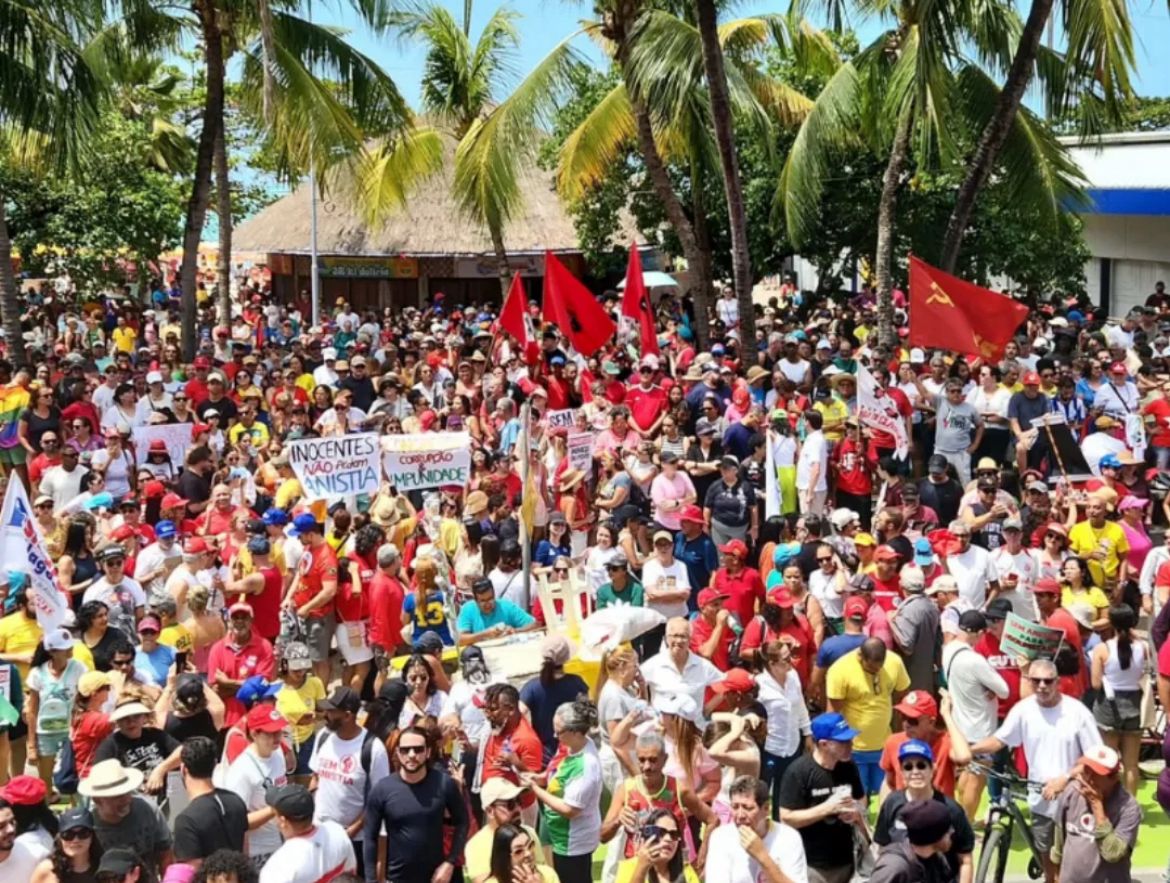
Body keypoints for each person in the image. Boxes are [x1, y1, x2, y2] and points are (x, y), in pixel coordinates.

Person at [968, 658, 1103, 883]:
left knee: (1071, 869)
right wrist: (969, 750)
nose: (1042, 686)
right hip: (1040, 799)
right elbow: (999, 740)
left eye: (1047, 681)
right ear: (1029, 681)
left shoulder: (1078, 713)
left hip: (1073, 801)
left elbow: (1094, 757)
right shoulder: (1024, 710)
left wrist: (1065, 779)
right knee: (1049, 869)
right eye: (1036, 681)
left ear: (1057, 682)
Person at [363, 724, 468, 883]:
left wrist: (450, 862)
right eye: (405, 750)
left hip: (436, 879)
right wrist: (371, 880)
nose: (412, 755)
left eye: (418, 749)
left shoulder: (443, 783)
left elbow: (462, 822)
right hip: (397, 879)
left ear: (428, 752)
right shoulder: (382, 789)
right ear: (398, 752)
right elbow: (370, 837)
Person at [309, 686, 389, 878]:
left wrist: (351, 831)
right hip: (320, 834)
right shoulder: (323, 737)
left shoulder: (373, 749)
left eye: (331, 711)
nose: (325, 715)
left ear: (347, 715)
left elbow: (378, 800)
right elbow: (315, 777)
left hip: (355, 840)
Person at [522, 700, 603, 883]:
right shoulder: (573, 746)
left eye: (558, 732)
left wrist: (535, 789)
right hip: (562, 837)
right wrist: (541, 778)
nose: (554, 735)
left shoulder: (586, 766)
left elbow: (570, 810)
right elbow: (557, 772)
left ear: (575, 732)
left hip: (573, 842)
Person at [778, 712, 865, 883]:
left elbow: (861, 799)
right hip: (812, 864)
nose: (850, 745)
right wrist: (828, 808)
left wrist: (855, 811)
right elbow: (786, 818)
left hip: (847, 860)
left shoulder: (848, 767)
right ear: (824, 744)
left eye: (850, 739)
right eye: (843, 742)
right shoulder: (799, 772)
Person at [872, 740, 974, 883]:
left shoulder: (951, 809)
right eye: (908, 767)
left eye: (921, 765)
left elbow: (965, 860)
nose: (915, 772)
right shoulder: (892, 803)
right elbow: (882, 846)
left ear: (933, 769)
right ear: (901, 772)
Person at [941, 610, 1009, 821]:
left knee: (965, 778)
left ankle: (960, 818)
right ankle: (966, 825)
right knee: (976, 782)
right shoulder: (974, 660)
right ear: (979, 633)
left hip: (960, 725)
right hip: (980, 729)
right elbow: (1004, 690)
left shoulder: (948, 649)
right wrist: (989, 687)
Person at [824, 638, 910, 796]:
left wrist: (900, 737)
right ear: (860, 657)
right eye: (871, 668)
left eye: (879, 668)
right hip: (853, 751)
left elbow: (902, 698)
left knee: (886, 797)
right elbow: (832, 714)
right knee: (857, 798)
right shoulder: (840, 670)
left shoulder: (895, 662)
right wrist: (834, 752)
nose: (876, 672)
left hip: (884, 747)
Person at [1051, 745, 1142, 883]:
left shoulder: (1128, 808)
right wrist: (1056, 874)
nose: (1087, 777)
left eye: (1095, 773)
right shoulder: (1071, 792)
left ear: (1113, 778)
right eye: (1086, 769)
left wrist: (1097, 806)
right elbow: (1059, 836)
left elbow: (1112, 853)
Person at [81, 759, 173, 883]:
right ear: (97, 800)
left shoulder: (148, 810)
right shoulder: (87, 827)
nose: (126, 800)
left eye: (127, 792)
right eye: (117, 796)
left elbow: (165, 855)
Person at [222, 704, 289, 866]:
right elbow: (236, 822)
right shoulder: (241, 770)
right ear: (254, 733)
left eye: (279, 731)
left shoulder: (277, 753)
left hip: (283, 844)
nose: (277, 737)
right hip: (258, 853)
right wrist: (274, 809)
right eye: (270, 733)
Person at [1089, 605, 1146, 795]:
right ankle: (1131, 803)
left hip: (1108, 705)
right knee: (1131, 764)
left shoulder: (1102, 649)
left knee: (1108, 761)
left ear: (1111, 624)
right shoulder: (1142, 647)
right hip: (1134, 704)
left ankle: (1108, 802)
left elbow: (1096, 683)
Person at [172, 736, 248, 868]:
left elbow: (190, 870)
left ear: (183, 769)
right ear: (214, 764)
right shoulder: (236, 801)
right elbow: (245, 853)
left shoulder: (186, 820)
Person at [259, 785, 356, 883]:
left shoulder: (277, 869)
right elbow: (350, 876)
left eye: (275, 815)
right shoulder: (337, 832)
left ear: (283, 821)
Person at [519, 636, 589, 766]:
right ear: (566, 658)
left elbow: (520, 712)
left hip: (546, 753)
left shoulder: (532, 687)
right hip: (574, 747)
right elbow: (587, 711)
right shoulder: (577, 682)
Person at [464, 778, 547, 883]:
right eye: (510, 804)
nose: (518, 809)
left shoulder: (529, 833)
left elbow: (544, 872)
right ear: (490, 811)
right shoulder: (476, 846)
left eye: (519, 801)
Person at [641, 618, 723, 715]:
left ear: (690, 639)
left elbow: (726, 684)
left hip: (695, 723)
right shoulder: (653, 665)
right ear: (666, 638)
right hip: (662, 723)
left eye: (683, 636)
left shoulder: (702, 665)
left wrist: (706, 710)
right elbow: (634, 688)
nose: (679, 640)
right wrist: (648, 710)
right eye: (675, 636)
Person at [868, 799, 956, 883]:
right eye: (947, 831)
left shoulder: (936, 859)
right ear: (933, 837)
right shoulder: (893, 868)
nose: (952, 832)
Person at [619, 807, 699, 883]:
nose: (668, 839)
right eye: (661, 832)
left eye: (673, 834)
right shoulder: (629, 867)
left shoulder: (686, 872)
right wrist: (642, 868)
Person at [29, 806, 103, 883]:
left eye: (83, 833)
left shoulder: (104, 869)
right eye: (68, 834)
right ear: (60, 838)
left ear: (92, 836)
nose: (76, 840)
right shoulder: (46, 869)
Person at [457, 578, 538, 646]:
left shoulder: (506, 606)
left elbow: (535, 625)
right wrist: (485, 634)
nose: (488, 604)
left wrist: (514, 631)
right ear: (475, 600)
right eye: (483, 601)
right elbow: (460, 640)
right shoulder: (468, 609)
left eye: (490, 599)